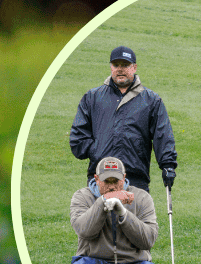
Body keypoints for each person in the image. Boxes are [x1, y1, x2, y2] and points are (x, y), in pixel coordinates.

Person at [69, 44, 176, 197]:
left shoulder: (151, 101)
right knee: (101, 221)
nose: (120, 69)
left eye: (125, 65)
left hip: (136, 179)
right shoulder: (92, 98)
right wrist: (97, 151)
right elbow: (77, 139)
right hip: (101, 179)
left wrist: (168, 166)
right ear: (111, 67)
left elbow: (163, 135)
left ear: (134, 67)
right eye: (116, 65)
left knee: (135, 221)